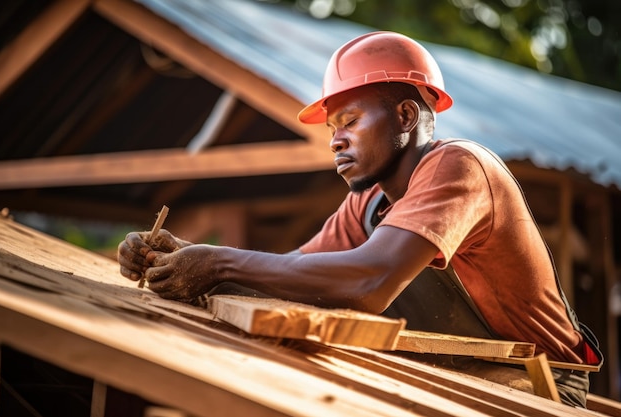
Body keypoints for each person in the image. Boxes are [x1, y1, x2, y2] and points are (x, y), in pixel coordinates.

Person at [118, 31, 602, 406]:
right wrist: (183, 257)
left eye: (349, 121)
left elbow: (370, 282)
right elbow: (292, 274)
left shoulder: (460, 168)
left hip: (542, 384)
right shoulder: (369, 202)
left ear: (407, 116)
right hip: (457, 366)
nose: (335, 140)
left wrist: (219, 263)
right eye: (332, 129)